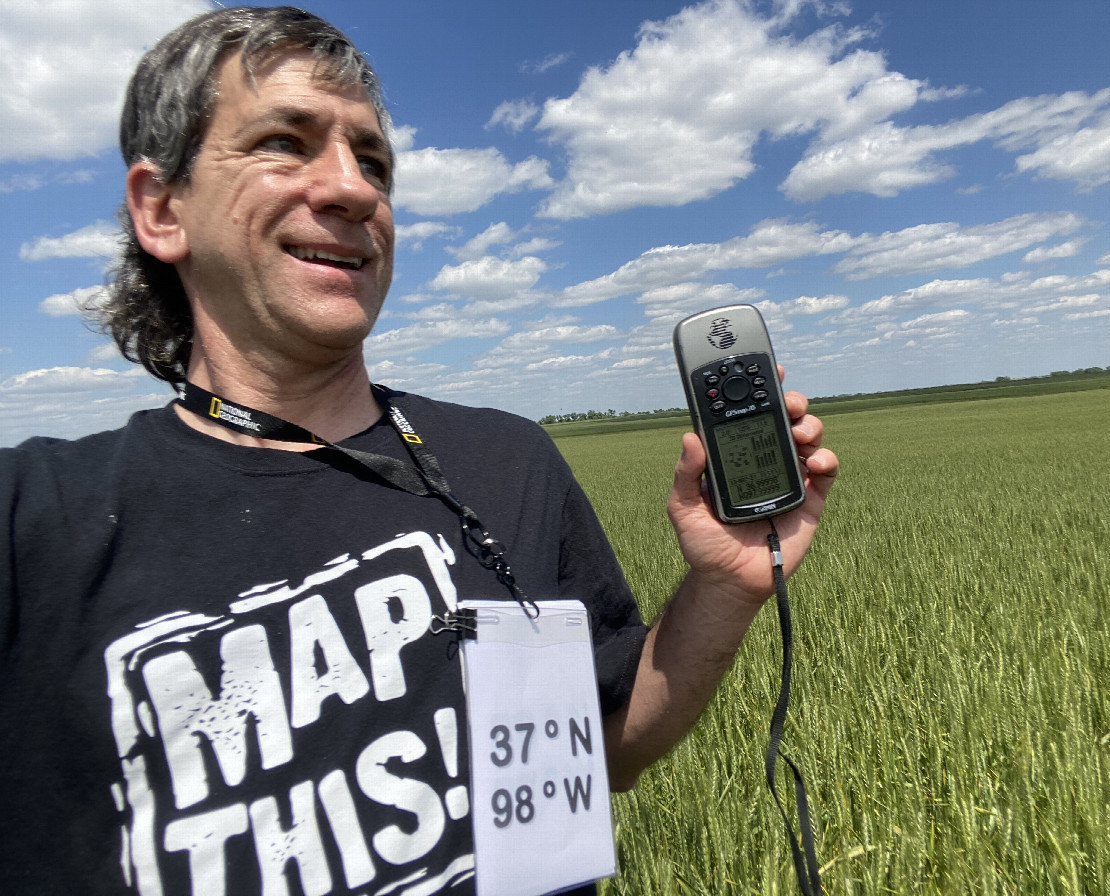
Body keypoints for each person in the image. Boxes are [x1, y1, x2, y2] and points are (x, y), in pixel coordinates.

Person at [0, 7, 838, 895]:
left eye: (373, 162)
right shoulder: (37, 520)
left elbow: (608, 745)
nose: (355, 190)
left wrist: (724, 587)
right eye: (285, 141)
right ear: (162, 210)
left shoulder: (507, 461)